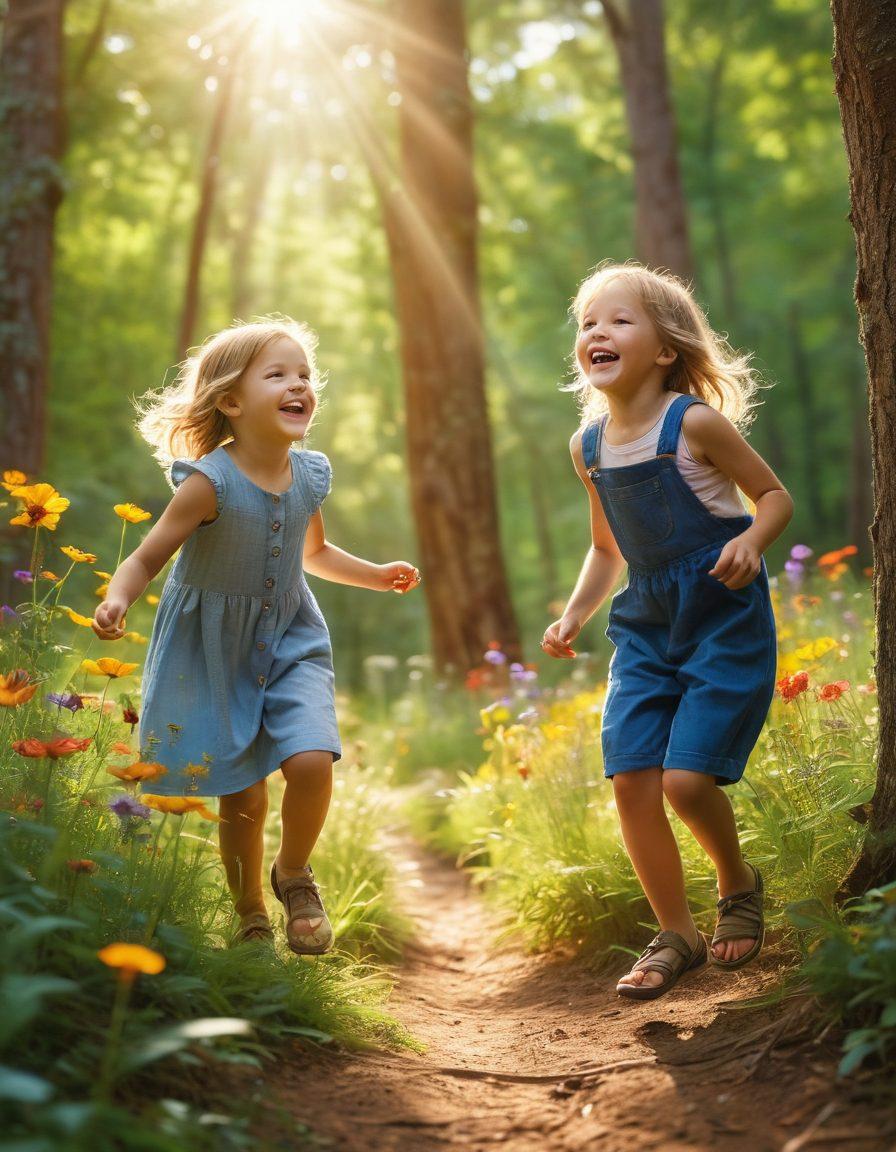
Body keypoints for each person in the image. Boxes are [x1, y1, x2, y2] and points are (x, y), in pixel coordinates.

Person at [92, 318, 420, 953]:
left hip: (292, 636)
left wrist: (375, 575)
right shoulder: (207, 484)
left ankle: (292, 873)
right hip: (214, 648)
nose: (298, 385)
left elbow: (314, 553)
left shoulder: (309, 475)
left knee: (312, 759)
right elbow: (145, 558)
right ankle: (249, 914)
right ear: (232, 402)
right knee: (242, 789)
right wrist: (116, 598)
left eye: (304, 375)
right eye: (278, 375)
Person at [542, 263, 792, 1000]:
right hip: (647, 625)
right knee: (631, 780)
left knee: (686, 781)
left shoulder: (696, 424)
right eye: (588, 323)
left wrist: (752, 542)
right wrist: (575, 613)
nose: (597, 332)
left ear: (664, 347)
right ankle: (676, 932)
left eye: (619, 320)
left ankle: (737, 882)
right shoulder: (587, 447)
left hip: (721, 615)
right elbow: (606, 546)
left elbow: (773, 497)